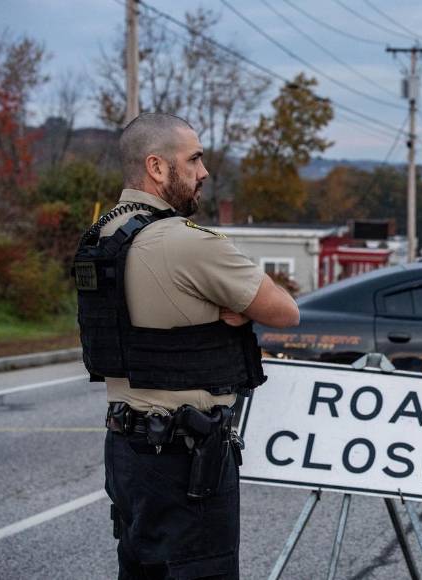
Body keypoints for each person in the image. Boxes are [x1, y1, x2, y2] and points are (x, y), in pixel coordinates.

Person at [74, 113, 299, 579]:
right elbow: (284, 311)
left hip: (127, 454)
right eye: (193, 159)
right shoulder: (186, 243)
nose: (204, 171)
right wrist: (236, 310)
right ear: (157, 167)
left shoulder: (102, 238)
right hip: (186, 460)